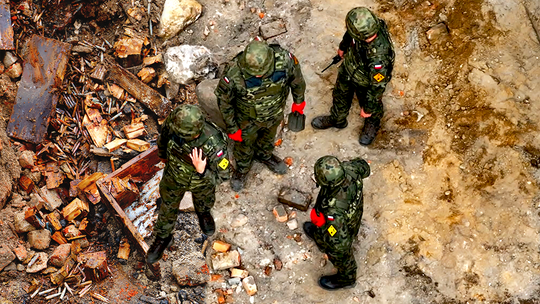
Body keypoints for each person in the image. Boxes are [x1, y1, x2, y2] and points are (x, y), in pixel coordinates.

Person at [215, 38, 306, 191]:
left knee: (268, 137)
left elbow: (297, 80)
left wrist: (298, 102)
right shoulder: (233, 73)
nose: (257, 76)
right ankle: (242, 169)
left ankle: (265, 155)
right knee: (244, 144)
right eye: (253, 74)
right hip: (246, 119)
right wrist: (232, 127)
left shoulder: (285, 60)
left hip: (274, 113)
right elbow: (224, 102)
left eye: (261, 73)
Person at [147, 104, 230, 265]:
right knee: (167, 207)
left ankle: (204, 214)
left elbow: (223, 176)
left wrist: (202, 171)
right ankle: (163, 237)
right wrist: (163, 155)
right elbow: (163, 137)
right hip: (174, 176)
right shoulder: (174, 123)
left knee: (204, 202)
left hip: (201, 182)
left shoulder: (214, 143)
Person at [311, 7, 395, 146]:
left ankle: (372, 123)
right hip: (349, 68)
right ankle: (337, 119)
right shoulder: (361, 29)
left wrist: (368, 108)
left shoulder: (379, 57)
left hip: (365, 82)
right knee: (340, 94)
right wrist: (343, 47)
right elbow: (350, 34)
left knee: (371, 105)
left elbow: (377, 86)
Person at [303, 156, 370, 290]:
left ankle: (347, 278)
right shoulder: (351, 168)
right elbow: (365, 168)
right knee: (322, 229)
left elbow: (341, 244)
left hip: (343, 226)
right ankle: (319, 236)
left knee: (338, 253)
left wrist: (325, 228)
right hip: (353, 213)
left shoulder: (333, 212)